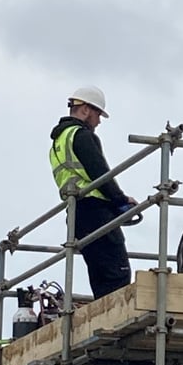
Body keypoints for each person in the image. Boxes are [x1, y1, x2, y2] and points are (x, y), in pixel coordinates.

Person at [49, 86, 137, 299]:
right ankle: (117, 327)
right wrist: (120, 200)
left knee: (100, 276)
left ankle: (104, 321)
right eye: (98, 114)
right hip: (96, 212)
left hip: (77, 216)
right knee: (118, 274)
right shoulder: (82, 135)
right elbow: (100, 173)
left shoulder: (58, 142)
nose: (99, 121)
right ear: (86, 110)